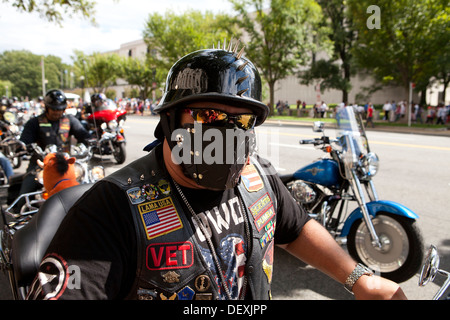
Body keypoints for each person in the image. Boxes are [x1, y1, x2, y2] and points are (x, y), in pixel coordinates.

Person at [27, 47, 406, 301]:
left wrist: (361, 279)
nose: (225, 133)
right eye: (207, 116)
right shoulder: (110, 207)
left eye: (239, 120)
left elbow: (294, 227)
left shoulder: (259, 178)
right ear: (170, 120)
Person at [18, 89, 90, 199]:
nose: (57, 112)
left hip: (65, 164)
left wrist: (93, 139)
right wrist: (25, 145)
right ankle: (20, 214)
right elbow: (25, 139)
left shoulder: (70, 120)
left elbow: (83, 134)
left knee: (87, 182)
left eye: (60, 109)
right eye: (54, 109)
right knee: (26, 191)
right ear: (47, 107)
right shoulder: (35, 122)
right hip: (41, 165)